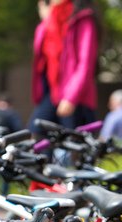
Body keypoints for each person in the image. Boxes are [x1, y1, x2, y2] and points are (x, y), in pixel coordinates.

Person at [29, 0, 99, 133]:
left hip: (75, 97)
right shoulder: (51, 21)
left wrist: (71, 97)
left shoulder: (83, 19)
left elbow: (85, 63)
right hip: (52, 93)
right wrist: (47, 20)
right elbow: (42, 57)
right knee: (36, 133)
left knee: (73, 141)